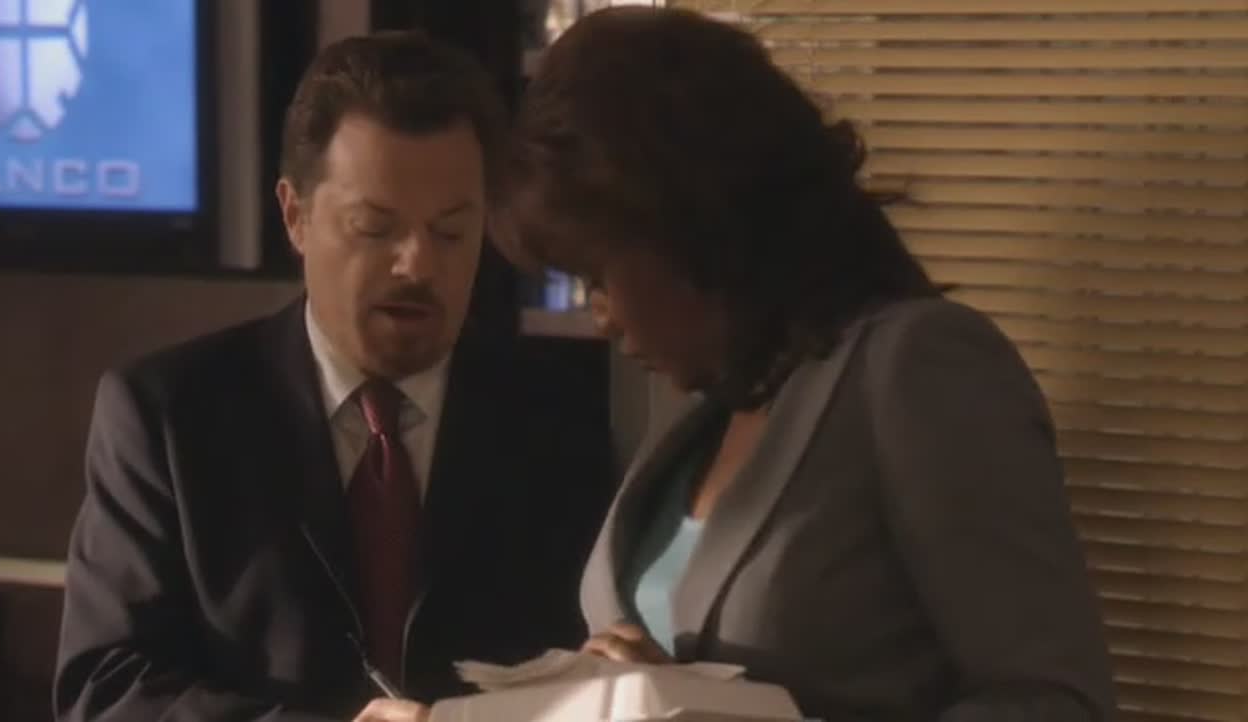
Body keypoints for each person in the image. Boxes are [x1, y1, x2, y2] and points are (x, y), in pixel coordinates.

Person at [489, 7, 1116, 721]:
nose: (601, 316)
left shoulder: (916, 368)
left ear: (684, 227)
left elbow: (1059, 701)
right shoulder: (711, 415)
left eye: (598, 275)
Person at [55, 31, 613, 722]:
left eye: (450, 232)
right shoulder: (170, 418)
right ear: (296, 215)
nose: (417, 265)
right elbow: (106, 689)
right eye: (375, 228)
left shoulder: (558, 421)